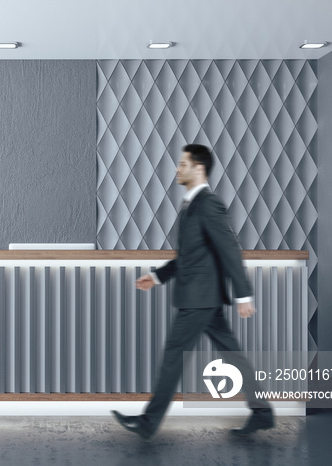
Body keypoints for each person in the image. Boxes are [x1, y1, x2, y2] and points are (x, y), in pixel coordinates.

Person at [111, 144, 273, 439]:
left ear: (199, 168)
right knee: (232, 352)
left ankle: (148, 423)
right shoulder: (191, 206)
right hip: (203, 296)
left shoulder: (208, 204)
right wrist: (158, 276)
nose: (177, 168)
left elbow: (229, 250)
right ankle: (263, 412)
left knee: (174, 353)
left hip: (199, 298)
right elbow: (191, 256)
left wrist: (243, 294)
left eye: (182, 164)